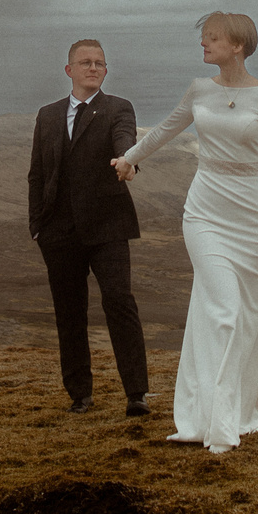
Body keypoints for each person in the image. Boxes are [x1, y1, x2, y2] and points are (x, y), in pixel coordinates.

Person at [109, 10, 258, 455]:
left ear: (238, 45)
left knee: (245, 316)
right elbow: (164, 130)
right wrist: (129, 158)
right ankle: (212, 423)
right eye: (204, 37)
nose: (203, 44)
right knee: (224, 310)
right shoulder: (199, 89)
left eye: (212, 37)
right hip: (204, 213)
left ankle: (237, 413)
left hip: (253, 217)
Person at [28, 38, 150, 416]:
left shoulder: (118, 108)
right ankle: (80, 395)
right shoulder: (48, 115)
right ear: (69, 70)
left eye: (99, 63)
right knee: (69, 313)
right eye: (85, 62)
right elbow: (37, 174)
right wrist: (37, 226)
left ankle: (136, 395)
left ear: (106, 70)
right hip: (58, 234)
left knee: (119, 303)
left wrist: (126, 160)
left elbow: (124, 140)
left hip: (108, 227)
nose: (93, 68)